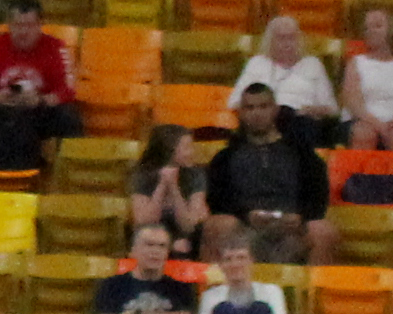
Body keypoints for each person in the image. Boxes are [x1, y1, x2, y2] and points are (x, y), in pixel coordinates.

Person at [202, 84, 338, 264]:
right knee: (216, 225)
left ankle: (314, 291)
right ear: (241, 113)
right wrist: (246, 215)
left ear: (275, 110)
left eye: (263, 106)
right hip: (245, 228)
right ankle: (215, 290)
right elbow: (216, 201)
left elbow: (318, 196)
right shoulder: (225, 158)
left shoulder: (302, 153)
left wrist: (301, 216)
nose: (257, 113)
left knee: (323, 230)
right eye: (250, 107)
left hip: (292, 230)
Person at [0, 0, 80, 180]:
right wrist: (1, 98)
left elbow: (66, 91)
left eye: (29, 26)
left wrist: (39, 100)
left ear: (40, 25)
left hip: (38, 114)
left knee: (69, 117)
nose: (23, 31)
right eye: (17, 25)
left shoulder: (55, 48)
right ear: (9, 24)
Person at [227, 15, 338, 134]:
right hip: (264, 123)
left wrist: (311, 110)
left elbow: (332, 110)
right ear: (270, 41)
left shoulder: (313, 64)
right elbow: (235, 102)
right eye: (281, 38)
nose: (287, 44)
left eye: (291, 38)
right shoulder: (257, 63)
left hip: (302, 122)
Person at [341, 6, 393, 151]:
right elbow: (354, 104)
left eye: (377, 26)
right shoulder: (356, 63)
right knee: (364, 134)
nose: (371, 31)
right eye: (367, 28)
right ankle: (359, 173)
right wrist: (379, 125)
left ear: (392, 30)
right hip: (363, 120)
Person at [125, 123, 208, 254]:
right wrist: (162, 186)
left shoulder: (195, 175)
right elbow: (143, 222)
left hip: (185, 239)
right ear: (169, 150)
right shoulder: (142, 175)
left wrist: (174, 188)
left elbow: (189, 225)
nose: (191, 152)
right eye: (186, 148)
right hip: (152, 238)